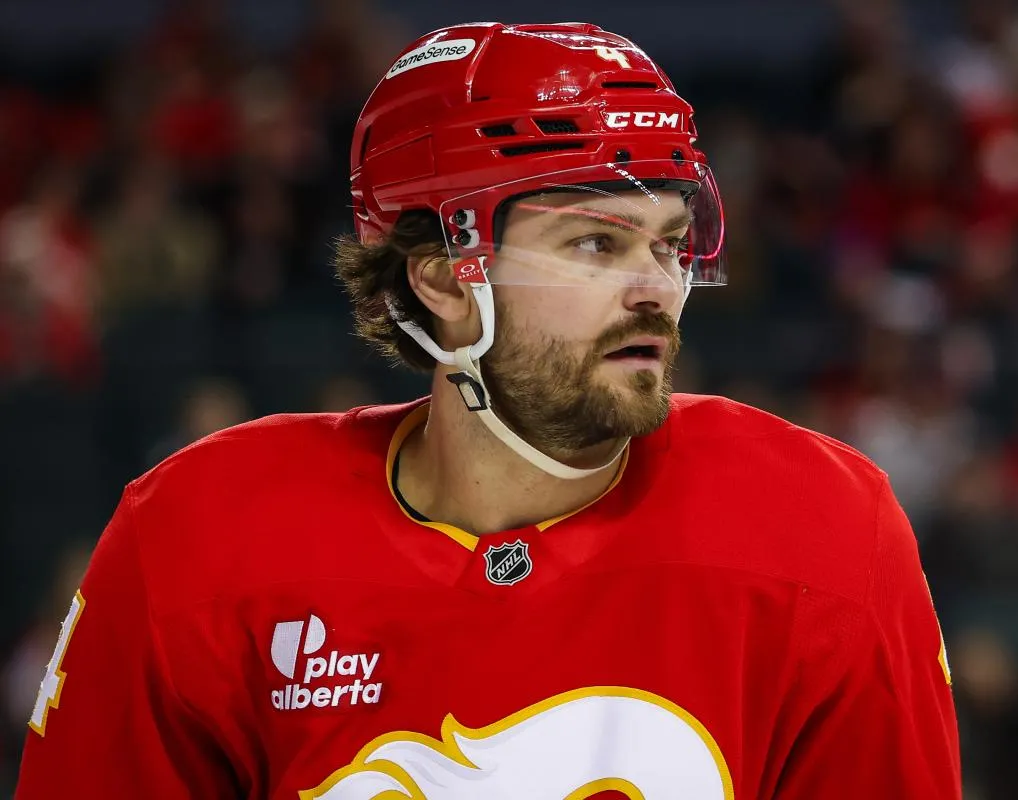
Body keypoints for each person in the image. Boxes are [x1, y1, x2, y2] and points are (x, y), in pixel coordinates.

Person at [15, 22, 960, 799]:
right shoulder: (195, 534)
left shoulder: (823, 526)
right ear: (440, 278)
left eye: (670, 245)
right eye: (595, 243)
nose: (656, 290)